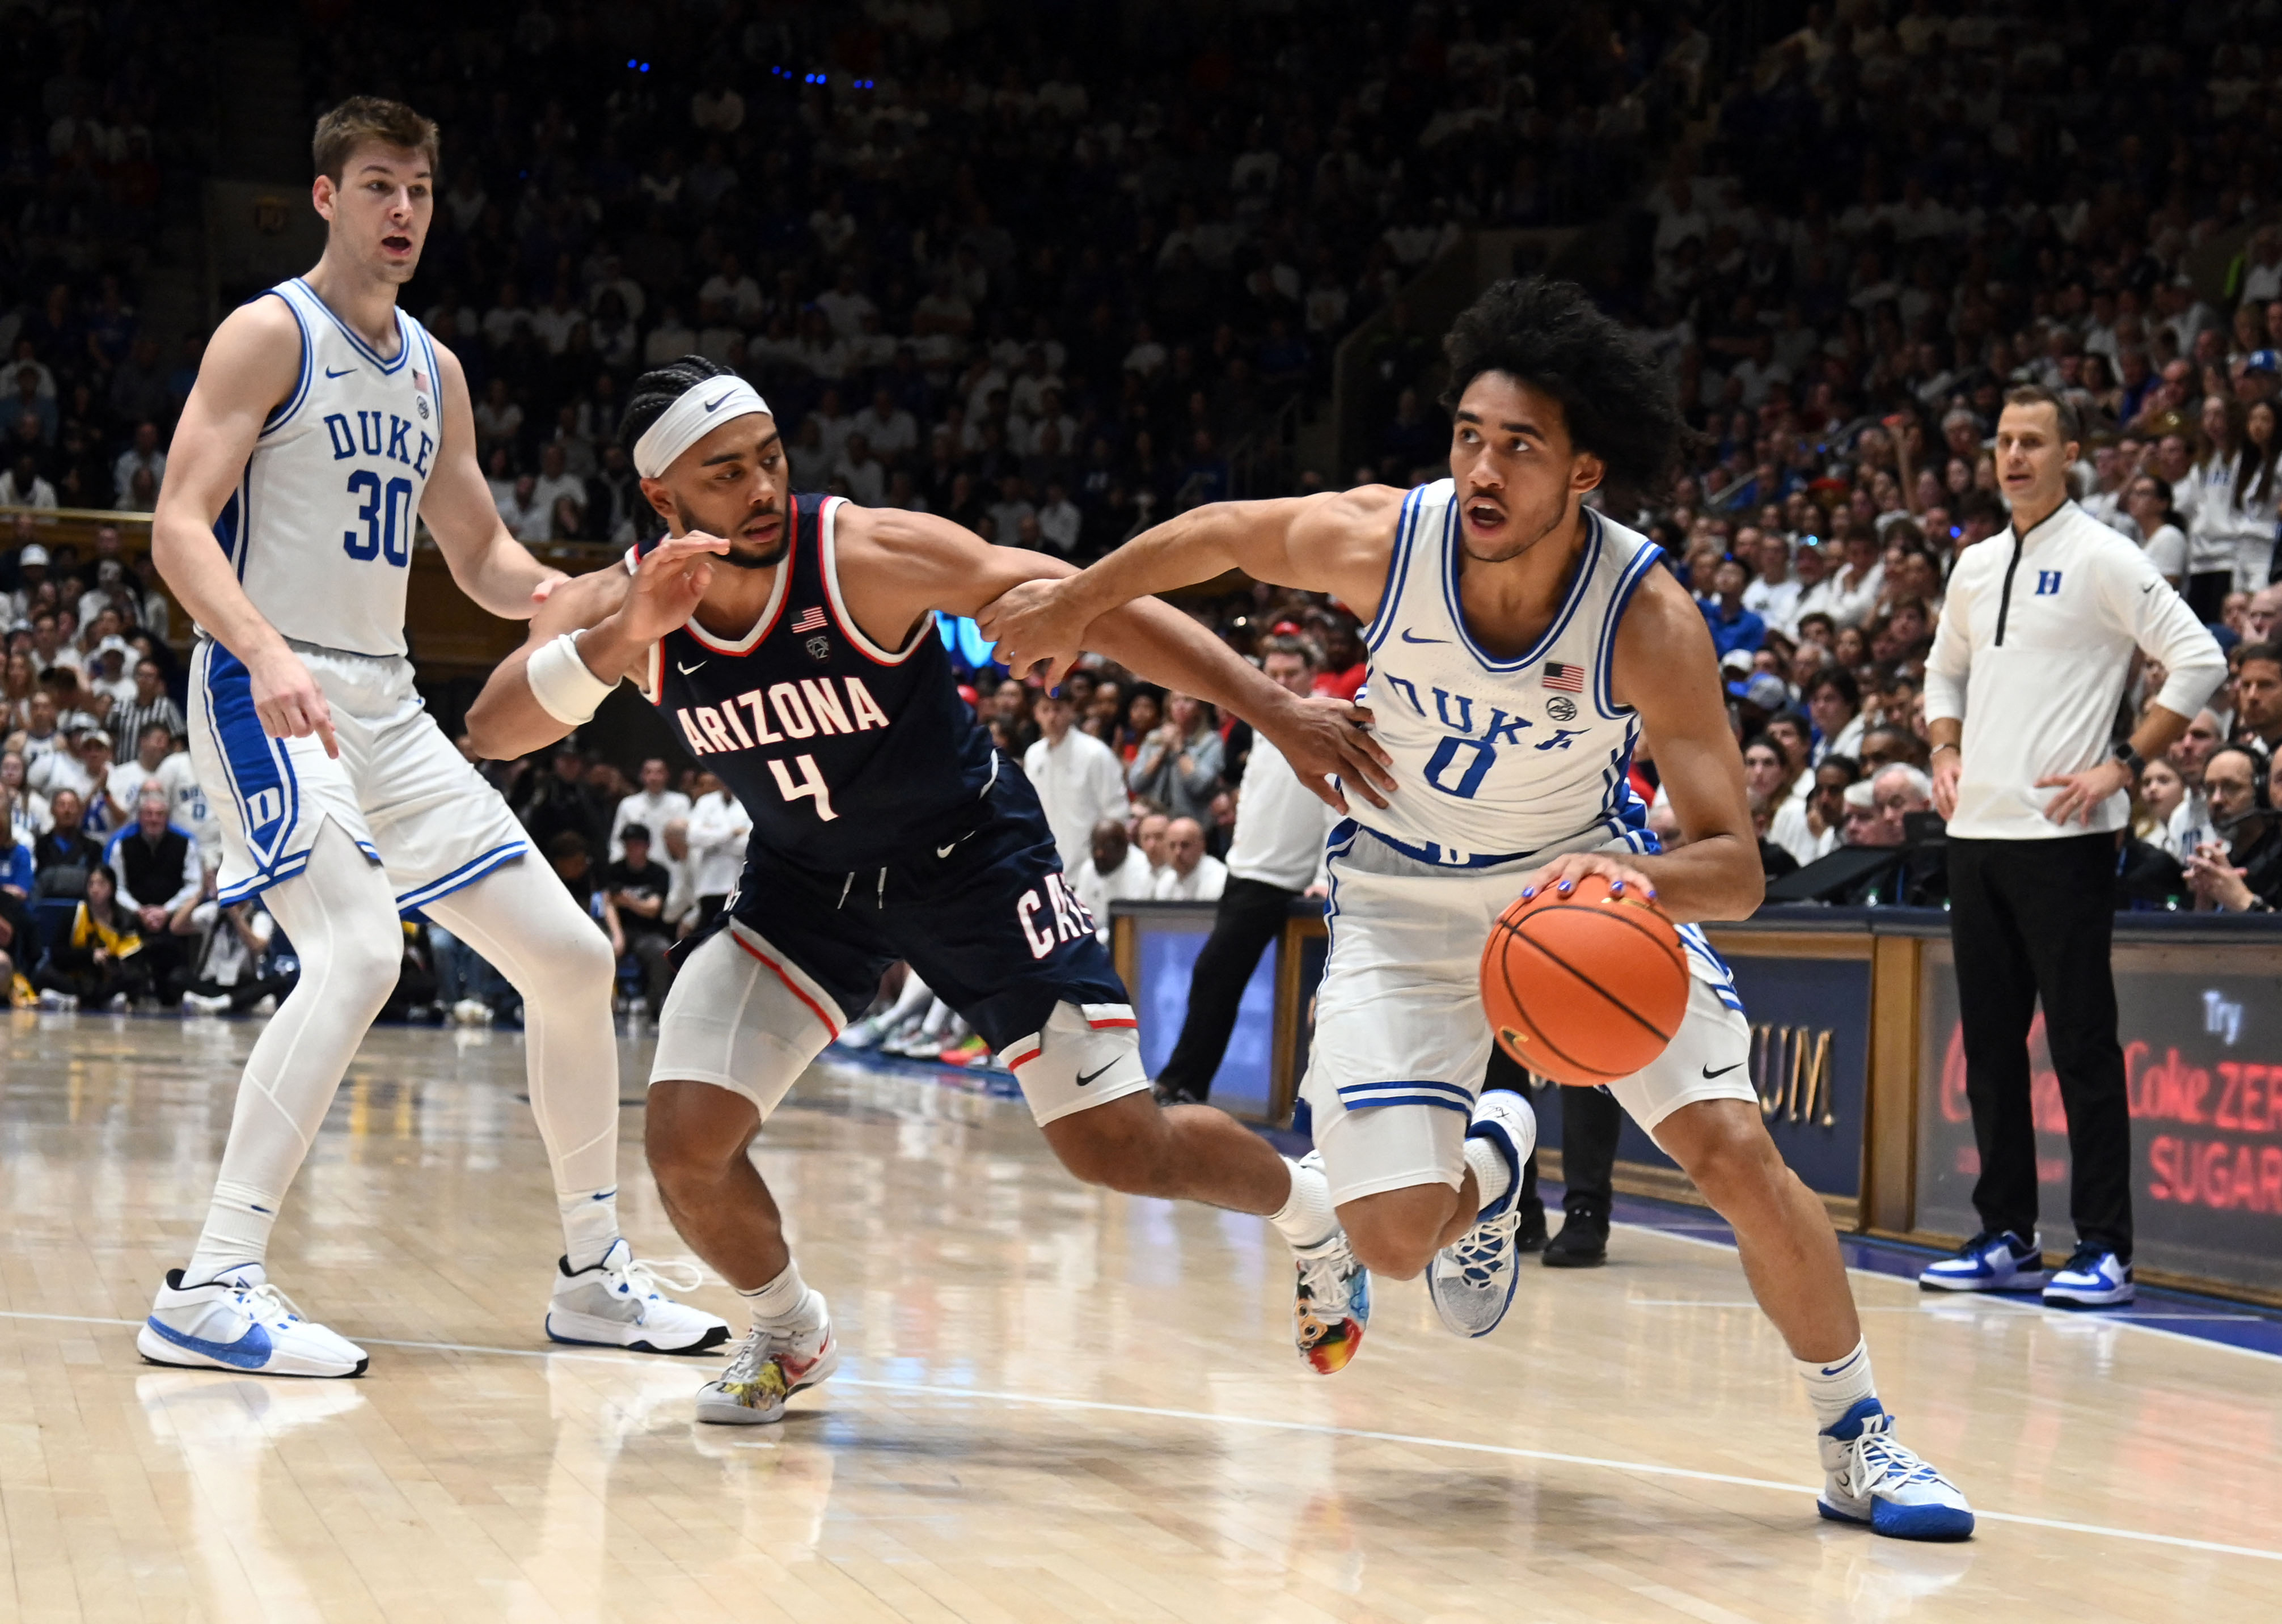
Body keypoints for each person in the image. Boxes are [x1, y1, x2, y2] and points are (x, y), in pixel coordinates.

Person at [986, 276, 1973, 1541]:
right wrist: (1075, 605)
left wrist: (1633, 881)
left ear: (1584, 476)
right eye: (1467, 436)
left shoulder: (1646, 616)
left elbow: (1733, 865)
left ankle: (1856, 1436)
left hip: (1579, 894)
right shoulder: (1380, 540)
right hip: (1398, 902)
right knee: (1392, 1244)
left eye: (1518, 447)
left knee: (1733, 1154)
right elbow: (1222, 531)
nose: (1483, 469)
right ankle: (1494, 1167)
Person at [461, 355, 1397, 1425]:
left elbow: (1086, 604)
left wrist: (1275, 709)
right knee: (682, 1146)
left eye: (770, 458)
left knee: (1116, 1147)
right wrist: (625, 631)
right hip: (805, 887)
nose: (763, 488)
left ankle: (1309, 1209)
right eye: (725, 474)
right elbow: (493, 725)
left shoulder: (860, 553)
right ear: (662, 499)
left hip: (972, 864)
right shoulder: (627, 602)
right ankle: (788, 1331)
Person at [140, 97, 722, 1380]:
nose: (402, 211)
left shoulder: (432, 369)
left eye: (419, 190)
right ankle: (212, 1283)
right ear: (324, 196)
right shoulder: (265, 335)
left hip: (386, 703)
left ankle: (591, 1280)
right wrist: (264, 650)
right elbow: (179, 525)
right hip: (263, 683)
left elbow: (479, 555)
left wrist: (583, 594)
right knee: (353, 952)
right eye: (379, 186)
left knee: (570, 962)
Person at [1920, 386, 2225, 1312]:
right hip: (1975, 836)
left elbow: (2198, 657)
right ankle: (2005, 1232)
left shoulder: (2102, 556)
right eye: (2002, 441)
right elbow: (1942, 667)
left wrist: (2123, 762)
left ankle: (2102, 1246)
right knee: (1988, 1049)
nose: (2010, 456)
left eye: (2030, 441)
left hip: (2064, 840)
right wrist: (1940, 744)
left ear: (2068, 453)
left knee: (2080, 1045)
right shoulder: (1972, 564)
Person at [1155, 633, 1333, 1104]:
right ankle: (1185, 1082)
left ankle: (1183, 1082)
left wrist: (1321, 877)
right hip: (1244, 869)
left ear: (1312, 676)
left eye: (1290, 674)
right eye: (1272, 674)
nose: (1280, 682)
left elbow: (1336, 807)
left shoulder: (1323, 723)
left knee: (1214, 974)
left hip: (1276, 880)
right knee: (1217, 979)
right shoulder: (1258, 724)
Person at [1021, 686, 1128, 872]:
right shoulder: (1033, 754)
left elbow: (1116, 811)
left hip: (1089, 865)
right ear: (1036, 714)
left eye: (1058, 709)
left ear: (1071, 711)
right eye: (1045, 710)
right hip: (1047, 864)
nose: (1052, 717)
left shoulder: (1095, 753)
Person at [2186, 745, 2281, 911]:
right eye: (2210, 789)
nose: (2216, 800)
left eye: (2231, 787)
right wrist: (2205, 903)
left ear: (2261, 794)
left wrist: (2242, 901)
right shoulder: (2225, 866)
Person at [604, 821, 676, 1010]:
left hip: (648, 933)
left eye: (636, 844)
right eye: (627, 844)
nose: (631, 849)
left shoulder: (659, 873)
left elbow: (653, 909)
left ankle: (653, 1008)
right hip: (621, 929)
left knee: (662, 951)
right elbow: (609, 904)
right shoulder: (614, 871)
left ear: (647, 846)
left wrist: (627, 901)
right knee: (603, 949)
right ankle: (607, 1007)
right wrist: (617, 936)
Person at [682, 769, 750, 930]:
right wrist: (732, 832)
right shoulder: (706, 802)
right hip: (709, 885)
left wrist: (713, 837)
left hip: (737, 882)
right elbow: (693, 836)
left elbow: (748, 843)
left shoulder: (750, 802)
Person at [1068, 817, 1152, 942]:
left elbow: (1131, 923)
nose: (1099, 854)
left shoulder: (1143, 869)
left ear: (1123, 846)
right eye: (1095, 847)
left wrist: (1093, 939)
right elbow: (1079, 915)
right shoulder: (1089, 868)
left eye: (1106, 848)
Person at [610, 756, 691, 861]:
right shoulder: (628, 805)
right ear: (642, 776)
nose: (654, 777)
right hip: (639, 867)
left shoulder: (681, 802)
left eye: (659, 772)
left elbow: (688, 838)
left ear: (667, 775)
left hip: (673, 865)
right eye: (648, 772)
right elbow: (617, 840)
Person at [1150, 814, 1227, 900]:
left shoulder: (1220, 879)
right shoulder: (1166, 880)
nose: (1178, 852)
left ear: (1202, 846)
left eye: (1185, 845)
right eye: (1172, 846)